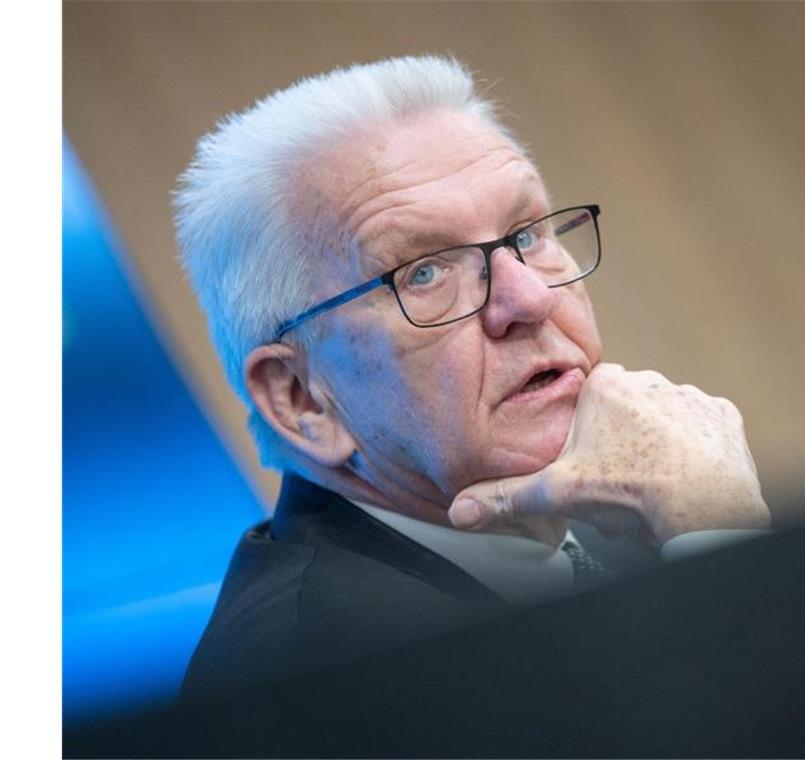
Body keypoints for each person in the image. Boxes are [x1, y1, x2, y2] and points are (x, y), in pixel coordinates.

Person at [174, 55, 771, 697]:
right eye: (424, 272)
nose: (530, 299)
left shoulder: (615, 503)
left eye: (527, 234)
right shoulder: (323, 673)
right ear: (302, 401)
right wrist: (722, 538)